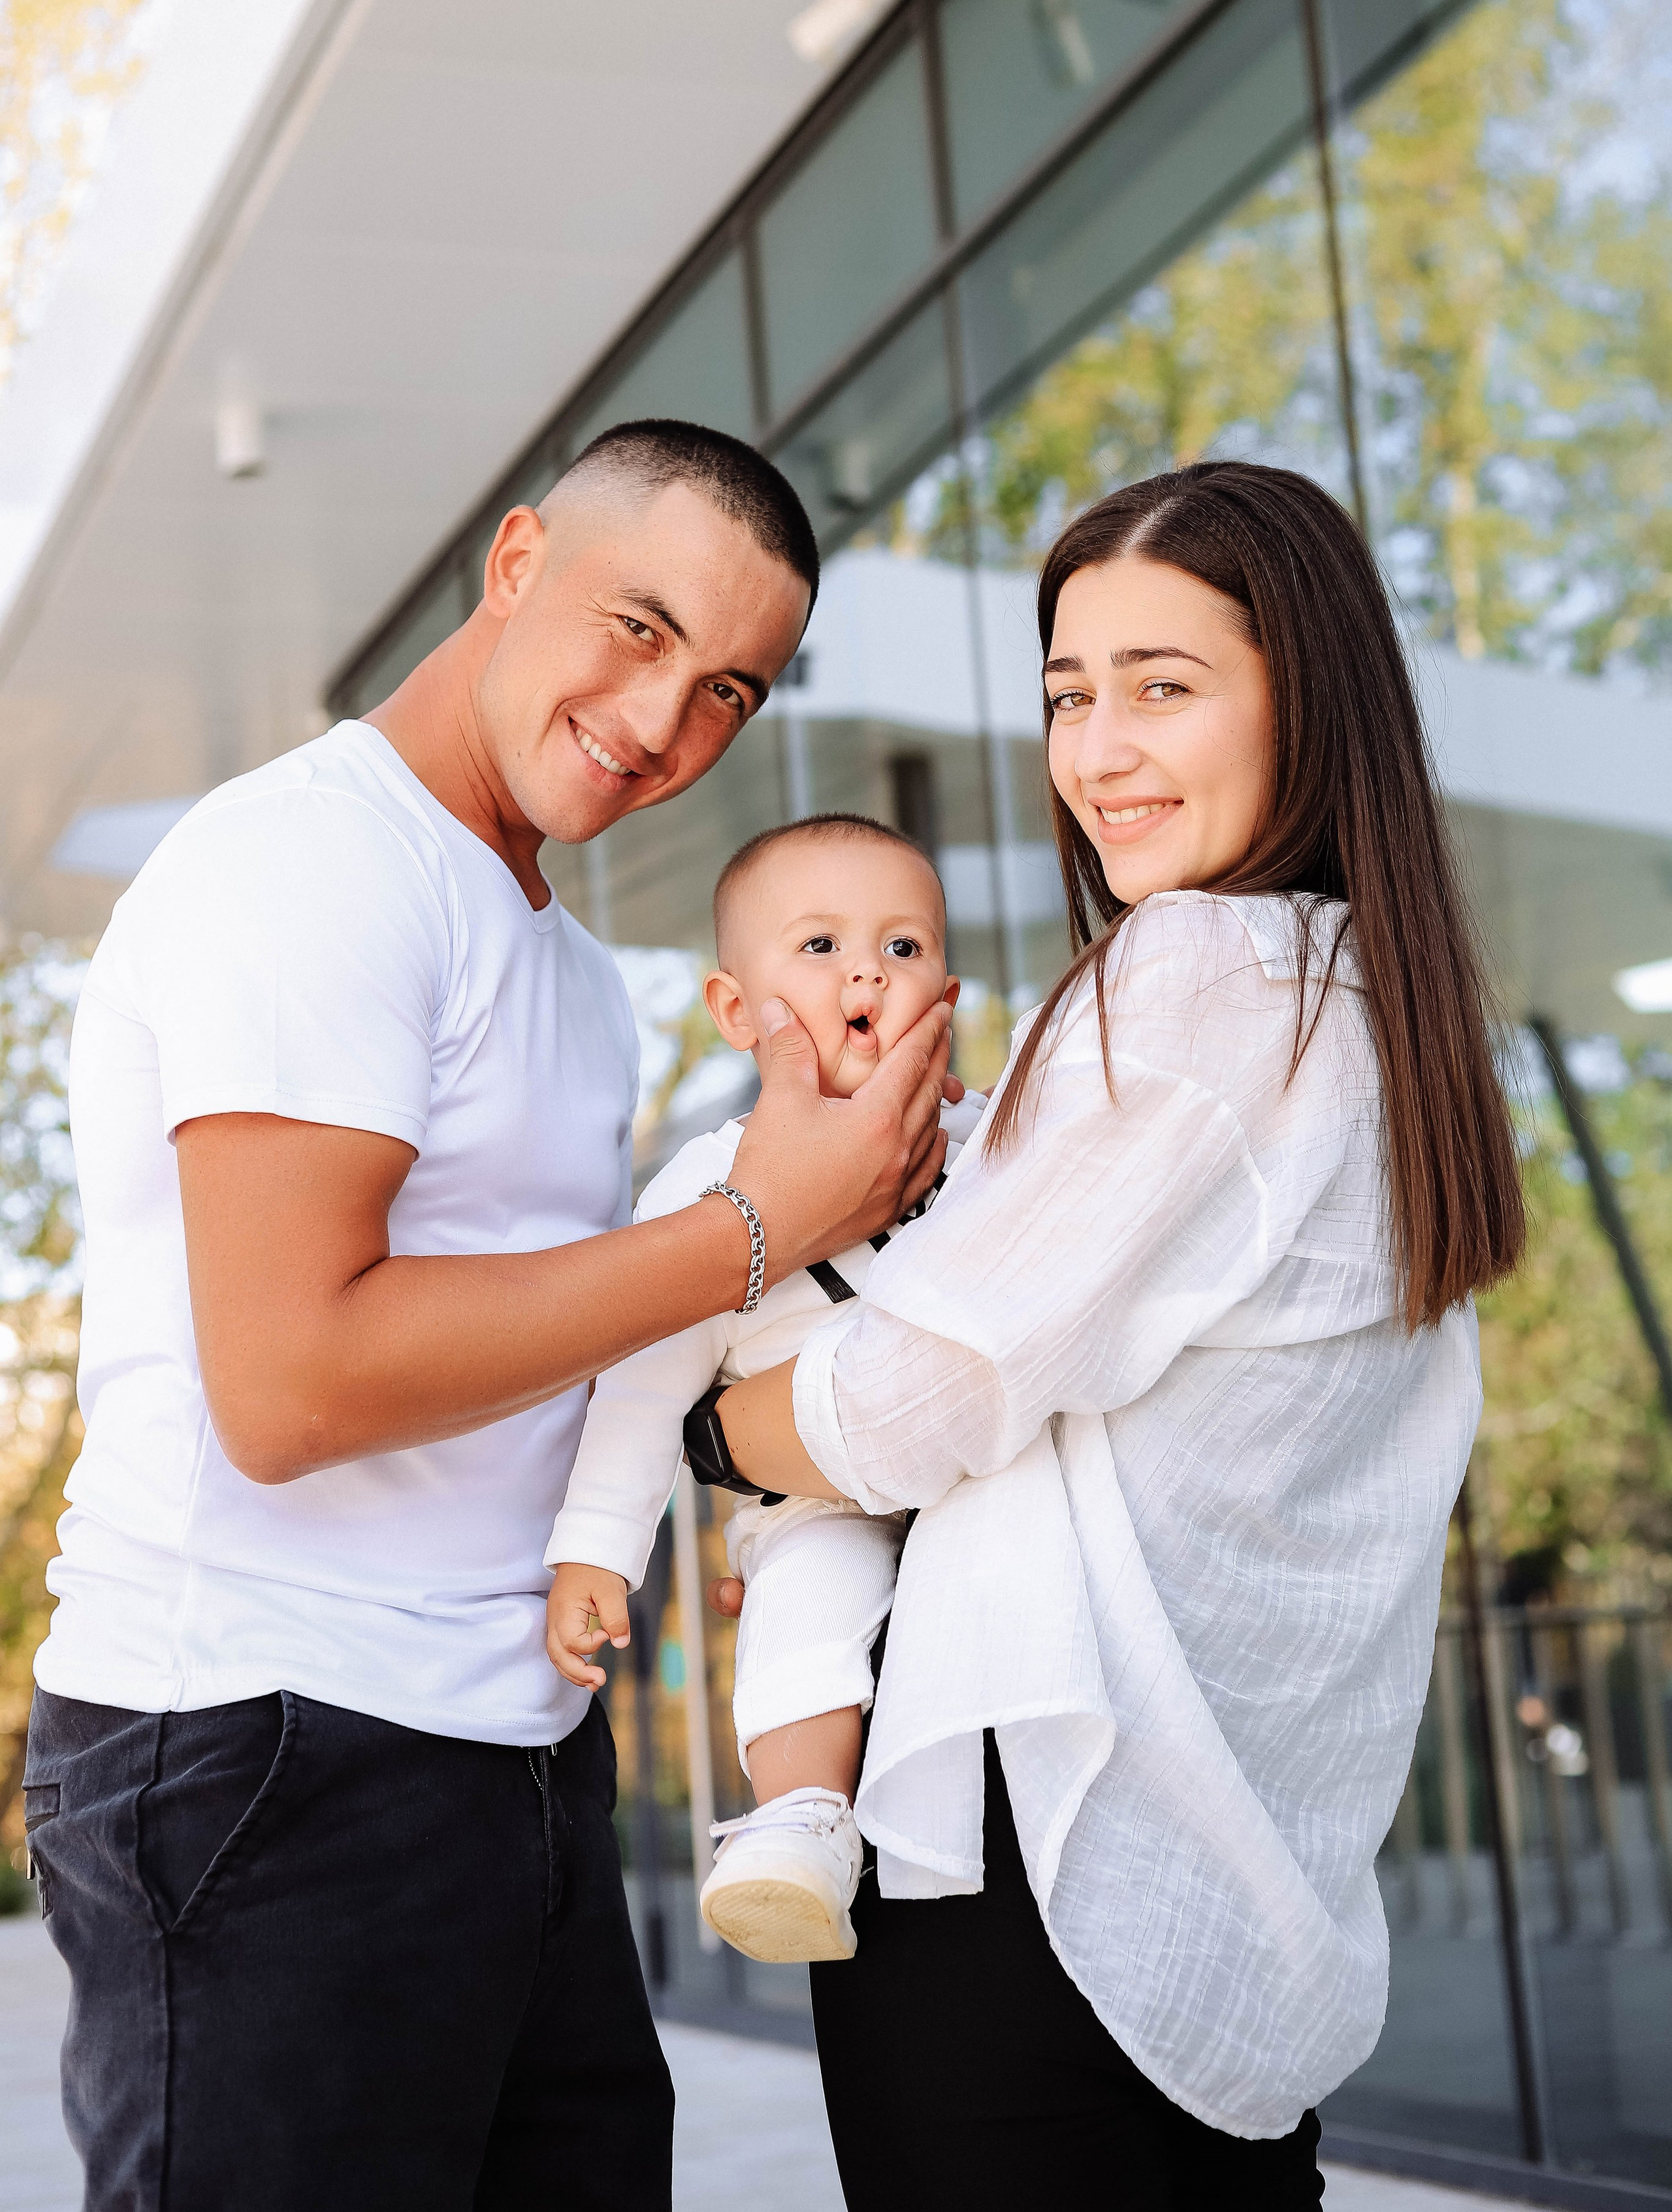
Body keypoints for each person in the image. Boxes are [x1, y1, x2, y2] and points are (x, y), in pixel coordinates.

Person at [20, 419, 954, 2212]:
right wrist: (763, 1224)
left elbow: (570, 1342)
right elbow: (291, 1384)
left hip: (509, 1752)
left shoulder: (572, 971)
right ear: (515, 564)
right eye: (641, 627)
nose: (668, 720)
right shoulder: (312, 865)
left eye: (731, 692)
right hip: (262, 1741)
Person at [710, 462, 1526, 2207]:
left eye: (1165, 684)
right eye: (1073, 695)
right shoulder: (1379, 1007)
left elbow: (926, 1389)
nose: (1100, 752)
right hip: (1215, 1895)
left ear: (1308, 698)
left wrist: (718, 1433)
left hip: (1044, 1854)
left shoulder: (1206, 980)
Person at [547, 813, 986, 1964]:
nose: (866, 976)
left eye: (903, 949)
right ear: (737, 1013)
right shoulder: (710, 1184)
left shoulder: (998, 1143)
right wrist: (599, 1548)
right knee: (805, 1614)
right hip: (814, 1503)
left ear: (947, 989)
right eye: (821, 946)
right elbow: (643, 1387)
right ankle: (799, 1828)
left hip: (987, 1500)